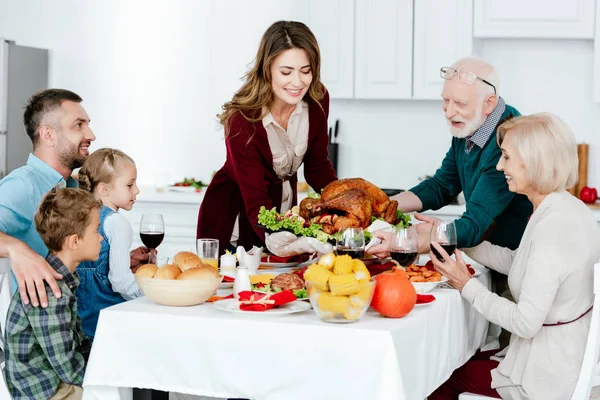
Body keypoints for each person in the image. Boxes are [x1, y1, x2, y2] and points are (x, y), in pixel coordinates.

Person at [428, 113, 600, 400]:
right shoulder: (564, 207)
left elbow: (524, 322)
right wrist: (454, 237)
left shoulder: (553, 230)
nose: (499, 165)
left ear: (534, 162)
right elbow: (517, 261)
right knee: (456, 361)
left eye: (506, 157)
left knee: (439, 376)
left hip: (546, 378)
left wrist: (465, 285)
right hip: (563, 358)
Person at [0, 89, 151, 308]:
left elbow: (71, 255)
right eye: (78, 125)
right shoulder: (22, 185)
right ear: (48, 135)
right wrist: (16, 249)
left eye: (87, 124)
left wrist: (116, 261)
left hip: (79, 318)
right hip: (47, 326)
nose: (91, 135)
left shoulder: (75, 186)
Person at [197, 20, 337, 256]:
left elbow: (317, 167)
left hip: (281, 216)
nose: (297, 82)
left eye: (306, 71)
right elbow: (255, 196)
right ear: (267, 68)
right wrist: (272, 235)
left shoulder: (317, 99)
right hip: (233, 220)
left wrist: (344, 206)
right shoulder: (242, 118)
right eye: (286, 72)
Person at [369, 57, 532, 257]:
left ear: (489, 104)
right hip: (489, 255)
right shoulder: (470, 125)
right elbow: (442, 186)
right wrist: (381, 207)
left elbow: (475, 224)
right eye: (446, 100)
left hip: (511, 260)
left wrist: (410, 241)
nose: (449, 112)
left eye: (460, 103)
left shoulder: (506, 141)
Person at [4, 187, 104, 400]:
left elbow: (77, 340)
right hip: (44, 389)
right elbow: (67, 367)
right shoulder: (51, 293)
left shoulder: (63, 279)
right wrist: (103, 376)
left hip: (53, 378)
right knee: (112, 392)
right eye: (97, 230)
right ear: (74, 241)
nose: (101, 238)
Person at [76, 148, 146, 339]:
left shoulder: (78, 215)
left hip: (79, 325)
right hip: (108, 324)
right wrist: (150, 295)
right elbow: (121, 282)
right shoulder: (117, 223)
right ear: (104, 189)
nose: (137, 190)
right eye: (130, 185)